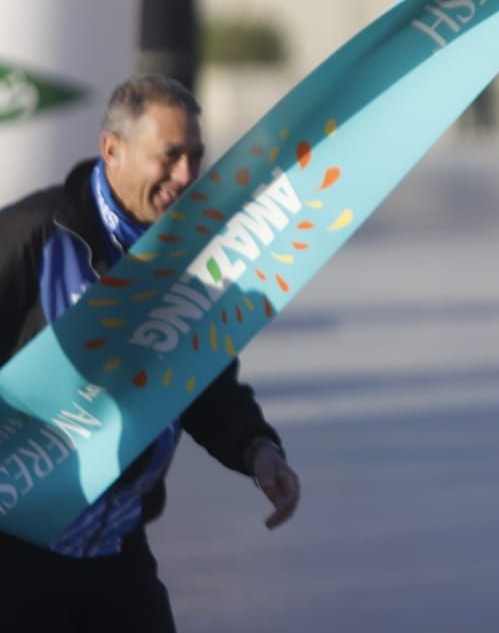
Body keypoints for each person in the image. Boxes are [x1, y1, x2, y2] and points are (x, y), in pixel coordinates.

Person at [0, 74, 301, 632]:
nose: (185, 176)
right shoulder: (37, 234)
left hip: (115, 547)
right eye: (168, 157)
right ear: (112, 151)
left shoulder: (193, 256)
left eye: (195, 156)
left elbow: (202, 380)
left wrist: (255, 448)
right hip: (16, 553)